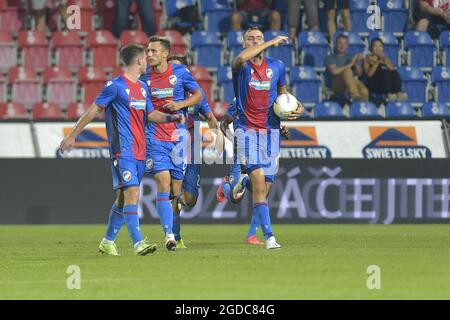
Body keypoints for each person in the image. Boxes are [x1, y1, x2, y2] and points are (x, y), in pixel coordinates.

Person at [59, 44, 184, 256]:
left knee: (123, 198)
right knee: (132, 192)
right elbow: (93, 111)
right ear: (139, 61)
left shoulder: (143, 88)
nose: (148, 60)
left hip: (140, 151)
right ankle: (138, 243)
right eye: (145, 57)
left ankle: (107, 241)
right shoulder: (115, 86)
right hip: (122, 150)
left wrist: (172, 117)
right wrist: (73, 134)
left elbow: (151, 115)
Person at [231, 27, 303, 249]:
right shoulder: (241, 67)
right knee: (260, 184)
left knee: (265, 186)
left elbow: (283, 95)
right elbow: (241, 57)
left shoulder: (277, 66)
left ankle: (242, 181)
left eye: (258, 38)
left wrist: (295, 110)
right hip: (247, 130)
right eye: (250, 39)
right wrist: (270, 42)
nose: (255, 41)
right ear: (244, 43)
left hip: (271, 133)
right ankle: (269, 237)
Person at [141, 36, 202, 251]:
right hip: (155, 137)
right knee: (163, 184)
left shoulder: (181, 73)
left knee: (177, 192)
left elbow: (198, 95)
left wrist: (180, 104)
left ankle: (175, 233)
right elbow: (146, 111)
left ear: (165, 54)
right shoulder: (144, 77)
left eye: (153, 51)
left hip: (178, 138)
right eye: (147, 51)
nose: (149, 55)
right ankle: (168, 235)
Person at [167, 55, 224, 249]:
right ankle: (175, 236)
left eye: (178, 68)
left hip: (191, 151)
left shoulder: (196, 97)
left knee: (190, 200)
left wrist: (219, 136)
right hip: (168, 148)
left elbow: (209, 117)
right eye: (171, 68)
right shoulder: (162, 95)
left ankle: (177, 202)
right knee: (172, 193)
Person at [216, 98, 290, 245]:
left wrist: (282, 130)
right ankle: (227, 186)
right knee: (236, 197)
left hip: (266, 149)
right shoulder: (240, 100)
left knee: (264, 191)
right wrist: (234, 139)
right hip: (245, 148)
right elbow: (224, 125)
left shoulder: (269, 97)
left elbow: (270, 123)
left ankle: (251, 235)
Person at [325, 34, 368, 101]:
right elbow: (334, 72)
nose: (342, 46)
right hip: (337, 84)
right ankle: (354, 94)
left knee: (364, 91)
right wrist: (350, 64)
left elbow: (359, 73)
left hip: (351, 83)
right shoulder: (330, 58)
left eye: (344, 44)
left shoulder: (350, 57)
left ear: (347, 45)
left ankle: (361, 109)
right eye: (340, 43)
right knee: (347, 71)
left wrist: (356, 62)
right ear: (335, 44)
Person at [364, 38, 407, 102]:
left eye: (380, 46)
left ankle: (398, 92)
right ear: (371, 48)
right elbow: (369, 74)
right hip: (374, 83)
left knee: (393, 72)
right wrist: (377, 62)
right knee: (384, 72)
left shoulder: (384, 57)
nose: (378, 48)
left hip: (385, 83)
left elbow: (393, 70)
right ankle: (389, 94)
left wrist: (384, 61)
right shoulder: (367, 58)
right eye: (375, 46)